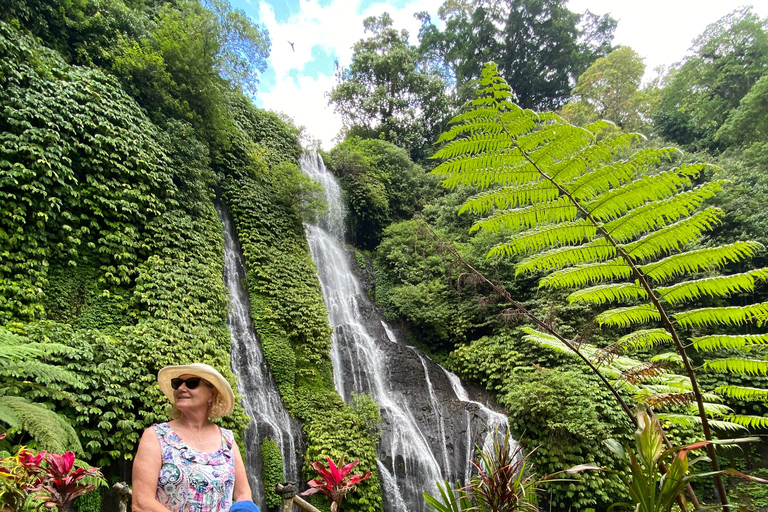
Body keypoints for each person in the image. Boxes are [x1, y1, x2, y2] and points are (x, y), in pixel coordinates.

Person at [132, 363, 257, 512]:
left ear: (211, 394)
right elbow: (141, 502)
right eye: (177, 383)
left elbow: (243, 493)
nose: (181, 388)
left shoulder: (227, 439)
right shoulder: (156, 436)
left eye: (192, 383)